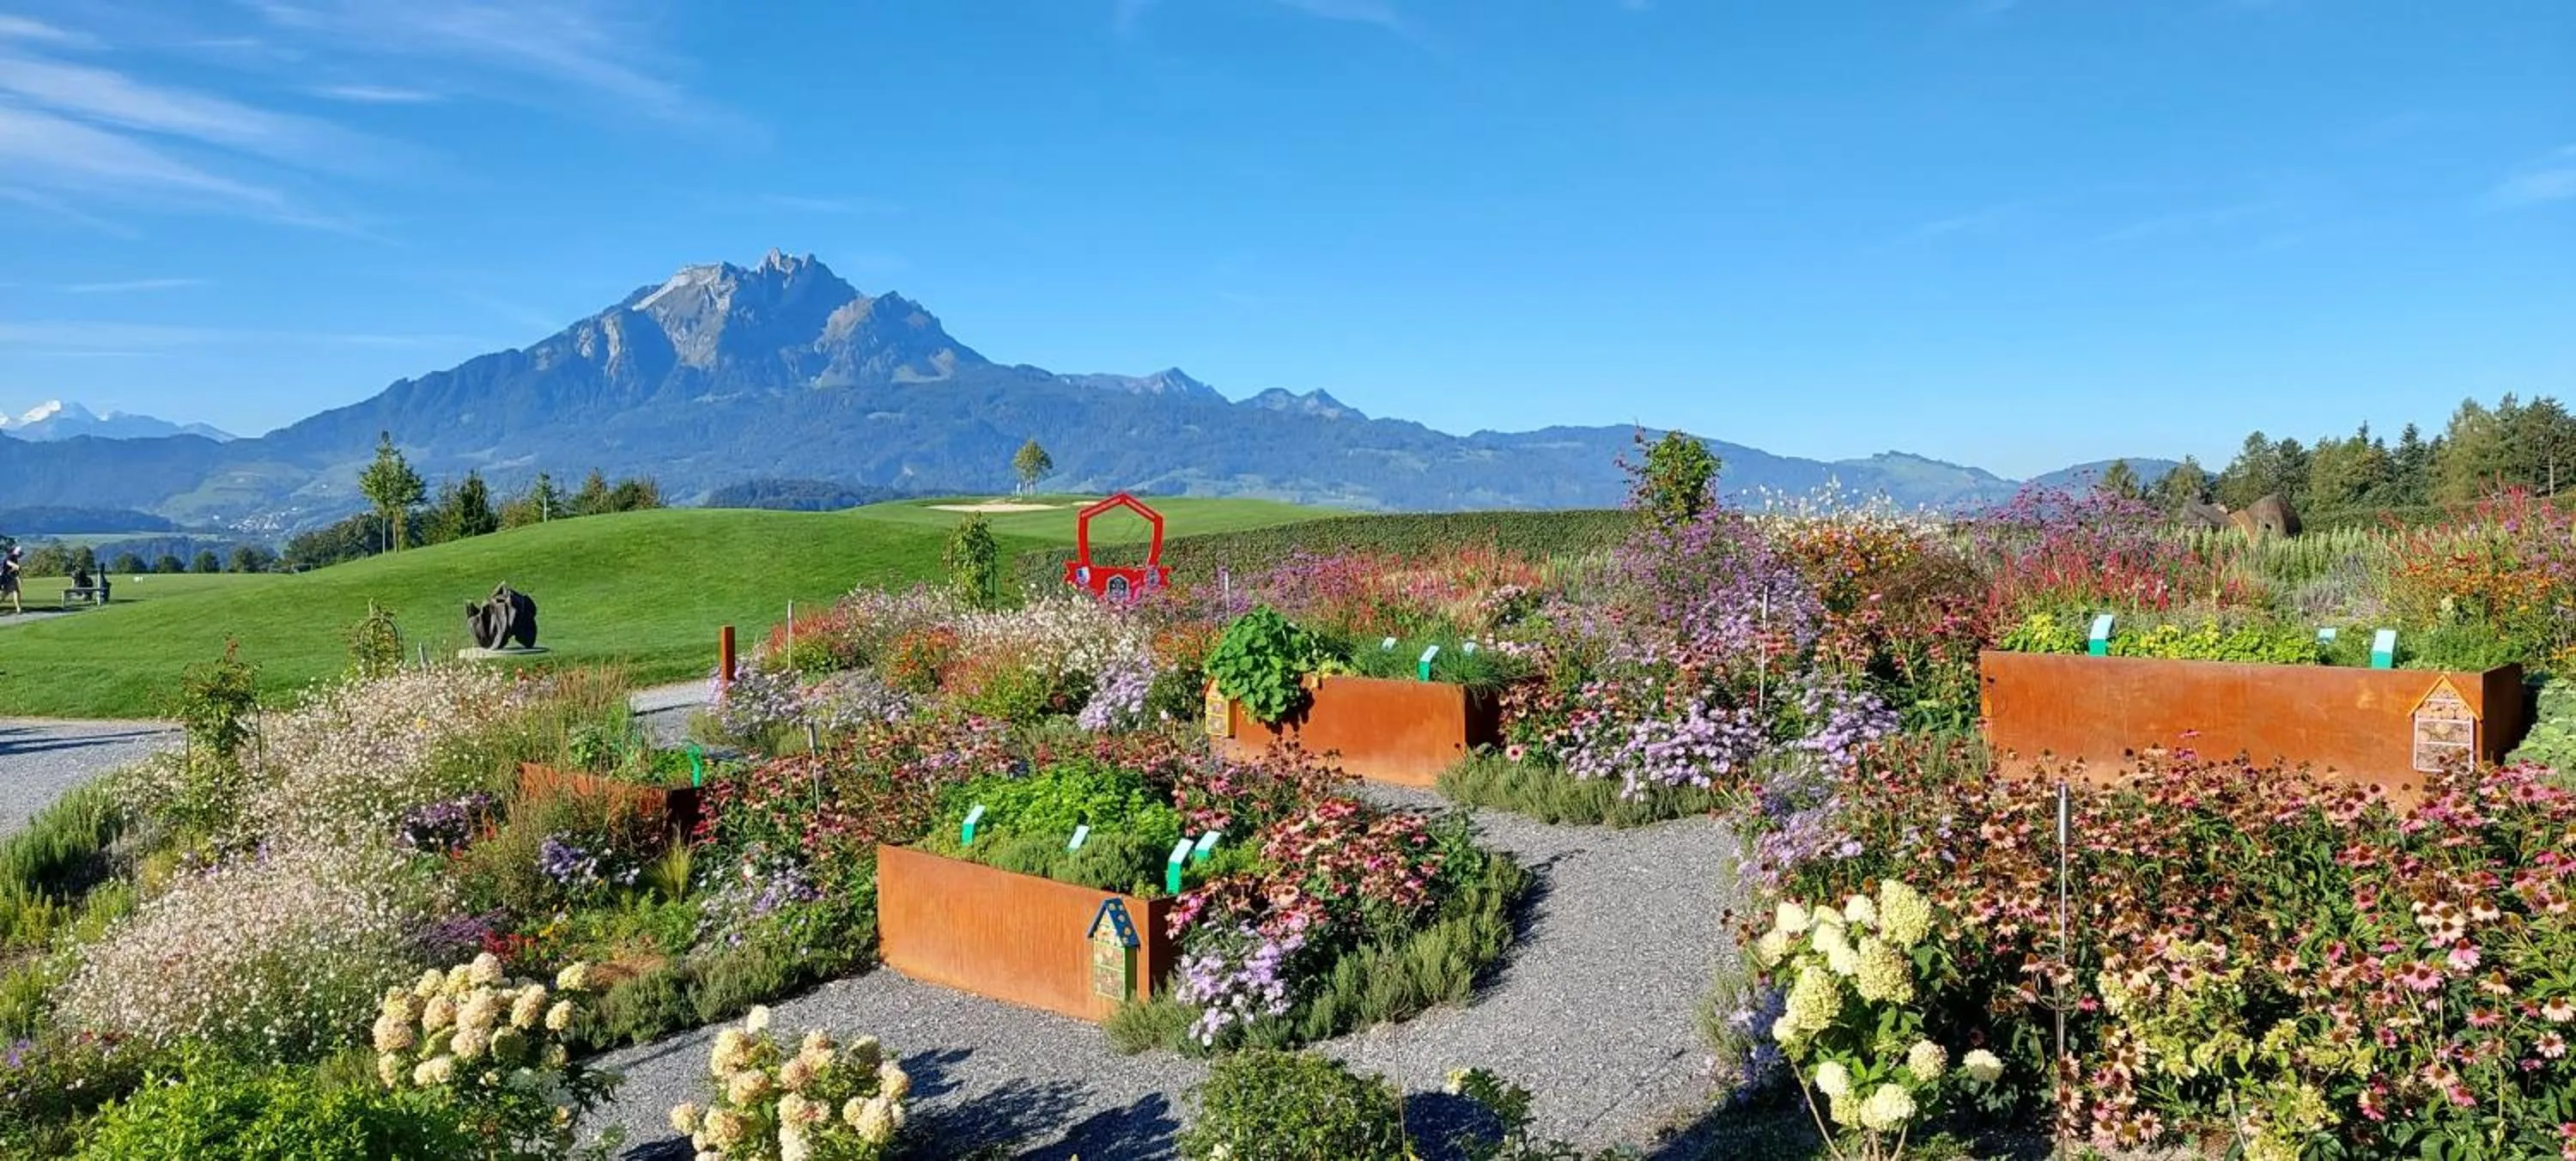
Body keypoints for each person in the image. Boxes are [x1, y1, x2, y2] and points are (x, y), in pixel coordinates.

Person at [1, 544, 21, 616]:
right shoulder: (11, 556)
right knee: (8, 593)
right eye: (18, 551)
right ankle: (18, 608)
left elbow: (15, 569)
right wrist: (15, 566)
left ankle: (18, 608)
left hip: (8, 577)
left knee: (11, 592)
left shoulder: (14, 557)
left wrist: (17, 574)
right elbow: (8, 563)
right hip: (5, 577)